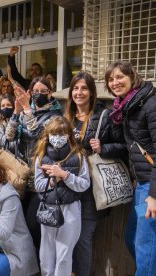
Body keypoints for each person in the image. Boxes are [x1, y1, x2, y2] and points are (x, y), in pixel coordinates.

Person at [65, 71, 126, 276]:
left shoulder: (104, 116)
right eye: (75, 88)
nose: (79, 92)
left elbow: (123, 147)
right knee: (68, 236)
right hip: (68, 188)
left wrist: (103, 148)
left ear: (92, 93)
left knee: (83, 239)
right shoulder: (67, 118)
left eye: (84, 88)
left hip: (91, 191)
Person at [104, 60, 156, 276]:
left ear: (133, 77)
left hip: (151, 188)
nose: (115, 82)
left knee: (145, 248)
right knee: (132, 237)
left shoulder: (150, 104)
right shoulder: (127, 107)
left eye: (119, 77)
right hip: (142, 183)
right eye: (111, 79)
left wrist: (154, 195)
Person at [5, 76, 62, 253]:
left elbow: (38, 134)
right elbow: (9, 136)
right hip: (21, 177)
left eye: (43, 91)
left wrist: (27, 108)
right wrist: (16, 111)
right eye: (35, 91)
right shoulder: (23, 113)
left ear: (50, 93)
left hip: (41, 179)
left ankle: (37, 264)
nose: (38, 95)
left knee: (33, 225)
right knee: (19, 223)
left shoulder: (55, 116)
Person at [33, 116, 90, 276]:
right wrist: (53, 180)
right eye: (54, 134)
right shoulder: (41, 156)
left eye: (62, 134)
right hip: (49, 208)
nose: (57, 138)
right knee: (46, 253)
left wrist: (64, 175)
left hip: (70, 208)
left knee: (64, 254)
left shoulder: (79, 156)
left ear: (69, 136)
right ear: (48, 135)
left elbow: (84, 184)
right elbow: (38, 185)